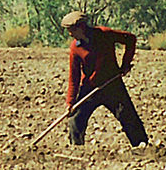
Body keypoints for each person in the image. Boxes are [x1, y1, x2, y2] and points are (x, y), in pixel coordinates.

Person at [61, 10, 148, 147]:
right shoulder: (75, 48)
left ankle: (142, 146)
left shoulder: (104, 34)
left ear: (82, 27)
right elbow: (74, 77)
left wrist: (124, 65)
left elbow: (130, 39)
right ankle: (76, 149)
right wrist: (70, 102)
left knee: (128, 117)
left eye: (72, 30)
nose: (70, 34)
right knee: (75, 119)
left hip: (112, 84)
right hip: (89, 88)